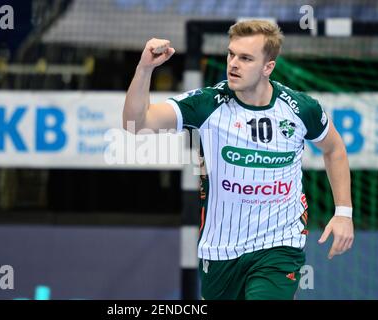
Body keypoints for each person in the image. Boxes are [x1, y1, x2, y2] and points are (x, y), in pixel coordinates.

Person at [122, 20, 354, 300]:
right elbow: (136, 124)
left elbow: (334, 149)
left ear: (268, 67)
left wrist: (343, 213)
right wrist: (145, 68)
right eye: (231, 54)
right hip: (220, 250)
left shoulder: (300, 109)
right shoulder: (208, 104)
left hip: (279, 246)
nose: (233, 63)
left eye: (245, 58)